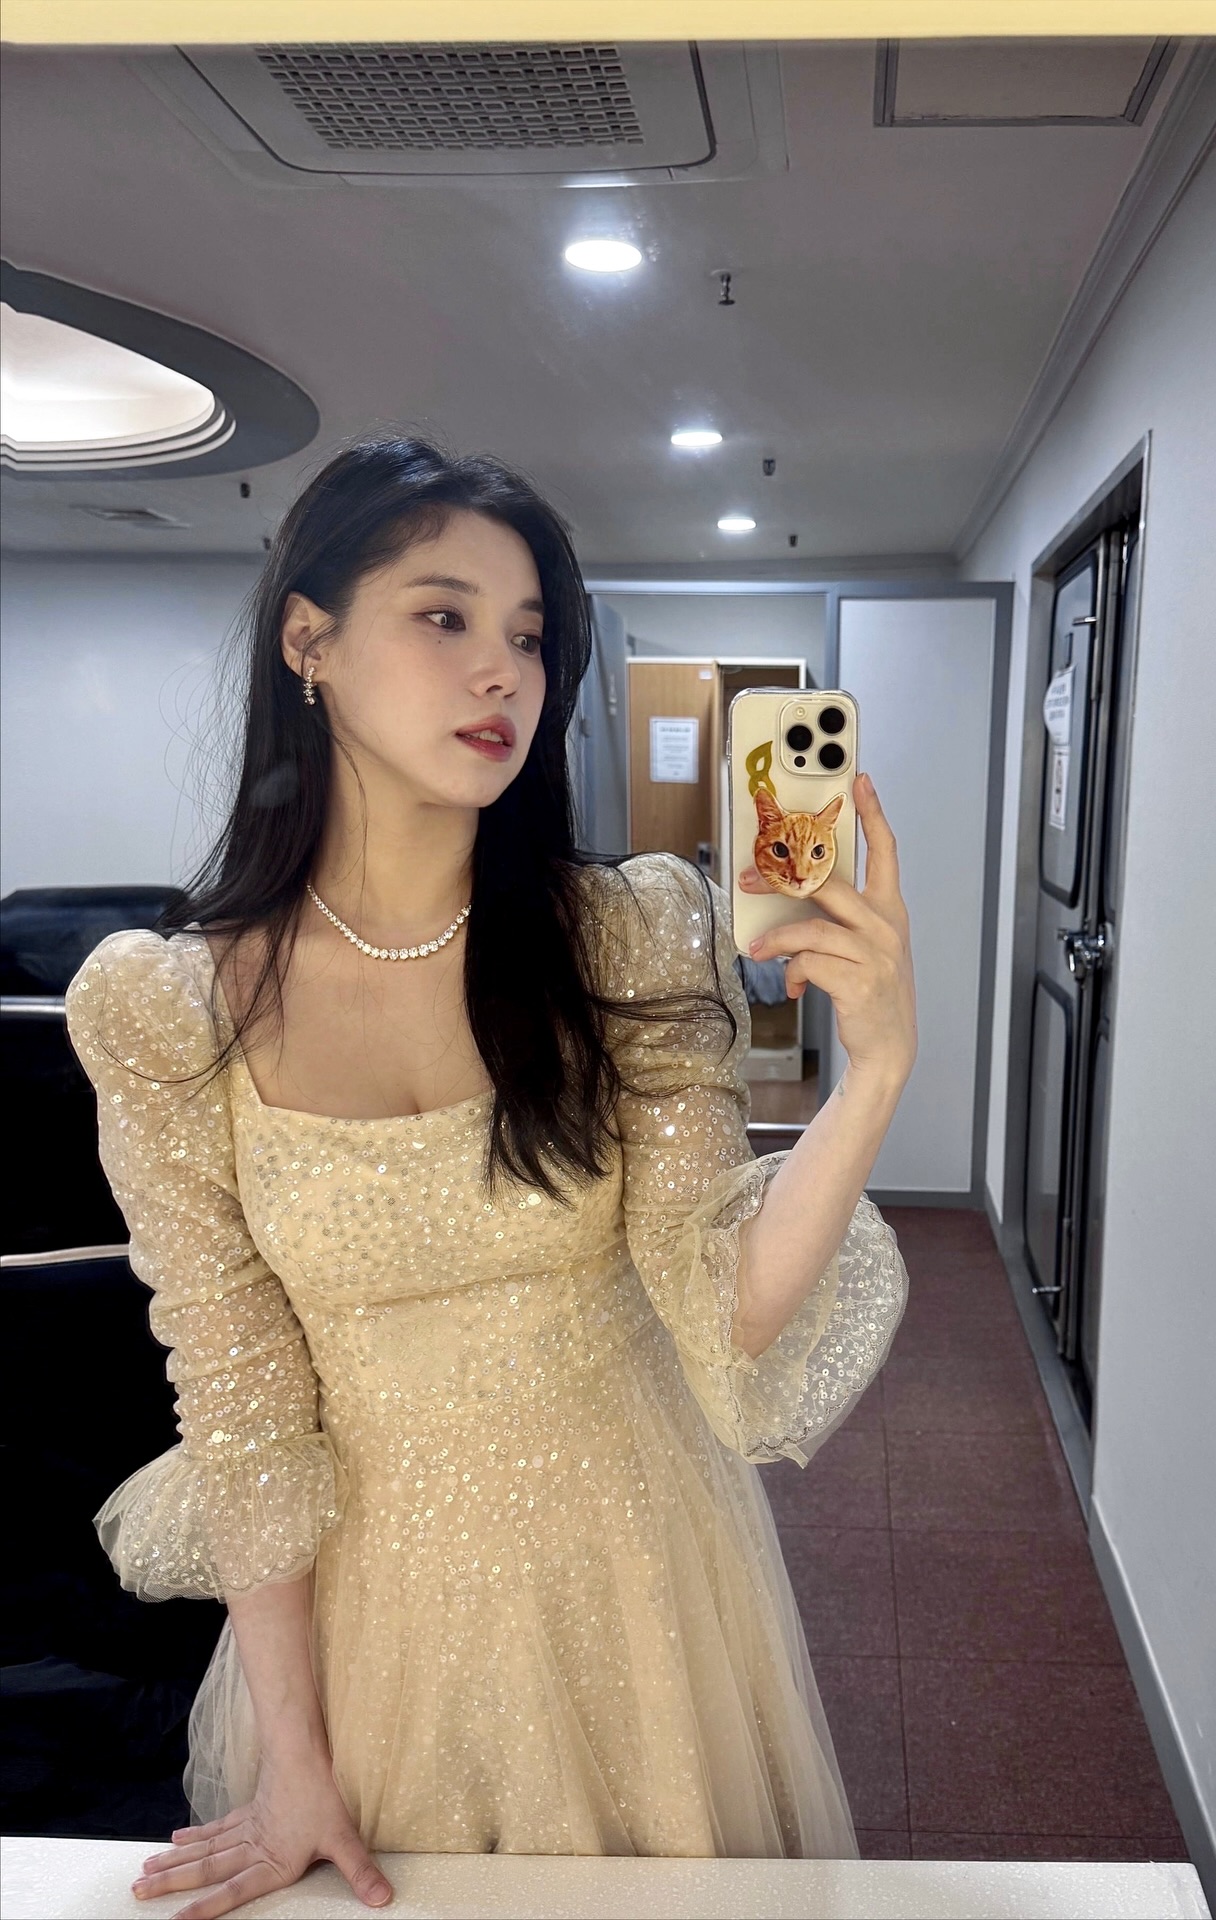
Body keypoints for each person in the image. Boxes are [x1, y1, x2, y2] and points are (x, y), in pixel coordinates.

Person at [64, 436, 916, 1919]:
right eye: (443, 616)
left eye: (529, 637)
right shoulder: (169, 1010)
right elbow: (242, 1400)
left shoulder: (624, 938)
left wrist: (878, 1075)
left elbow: (727, 1308)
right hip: (373, 1613)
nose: (501, 673)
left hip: (635, 1573)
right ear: (309, 640)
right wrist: (295, 1758)